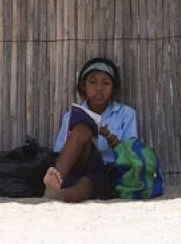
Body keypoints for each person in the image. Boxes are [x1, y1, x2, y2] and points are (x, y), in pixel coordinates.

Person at [43, 57, 138, 202]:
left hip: (107, 171)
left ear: (113, 88)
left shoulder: (126, 114)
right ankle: (55, 182)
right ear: (83, 86)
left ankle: (59, 195)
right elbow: (59, 151)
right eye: (92, 82)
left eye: (106, 83)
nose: (99, 88)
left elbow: (131, 155)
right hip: (78, 167)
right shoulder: (71, 116)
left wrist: (108, 135)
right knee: (82, 129)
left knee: (88, 184)